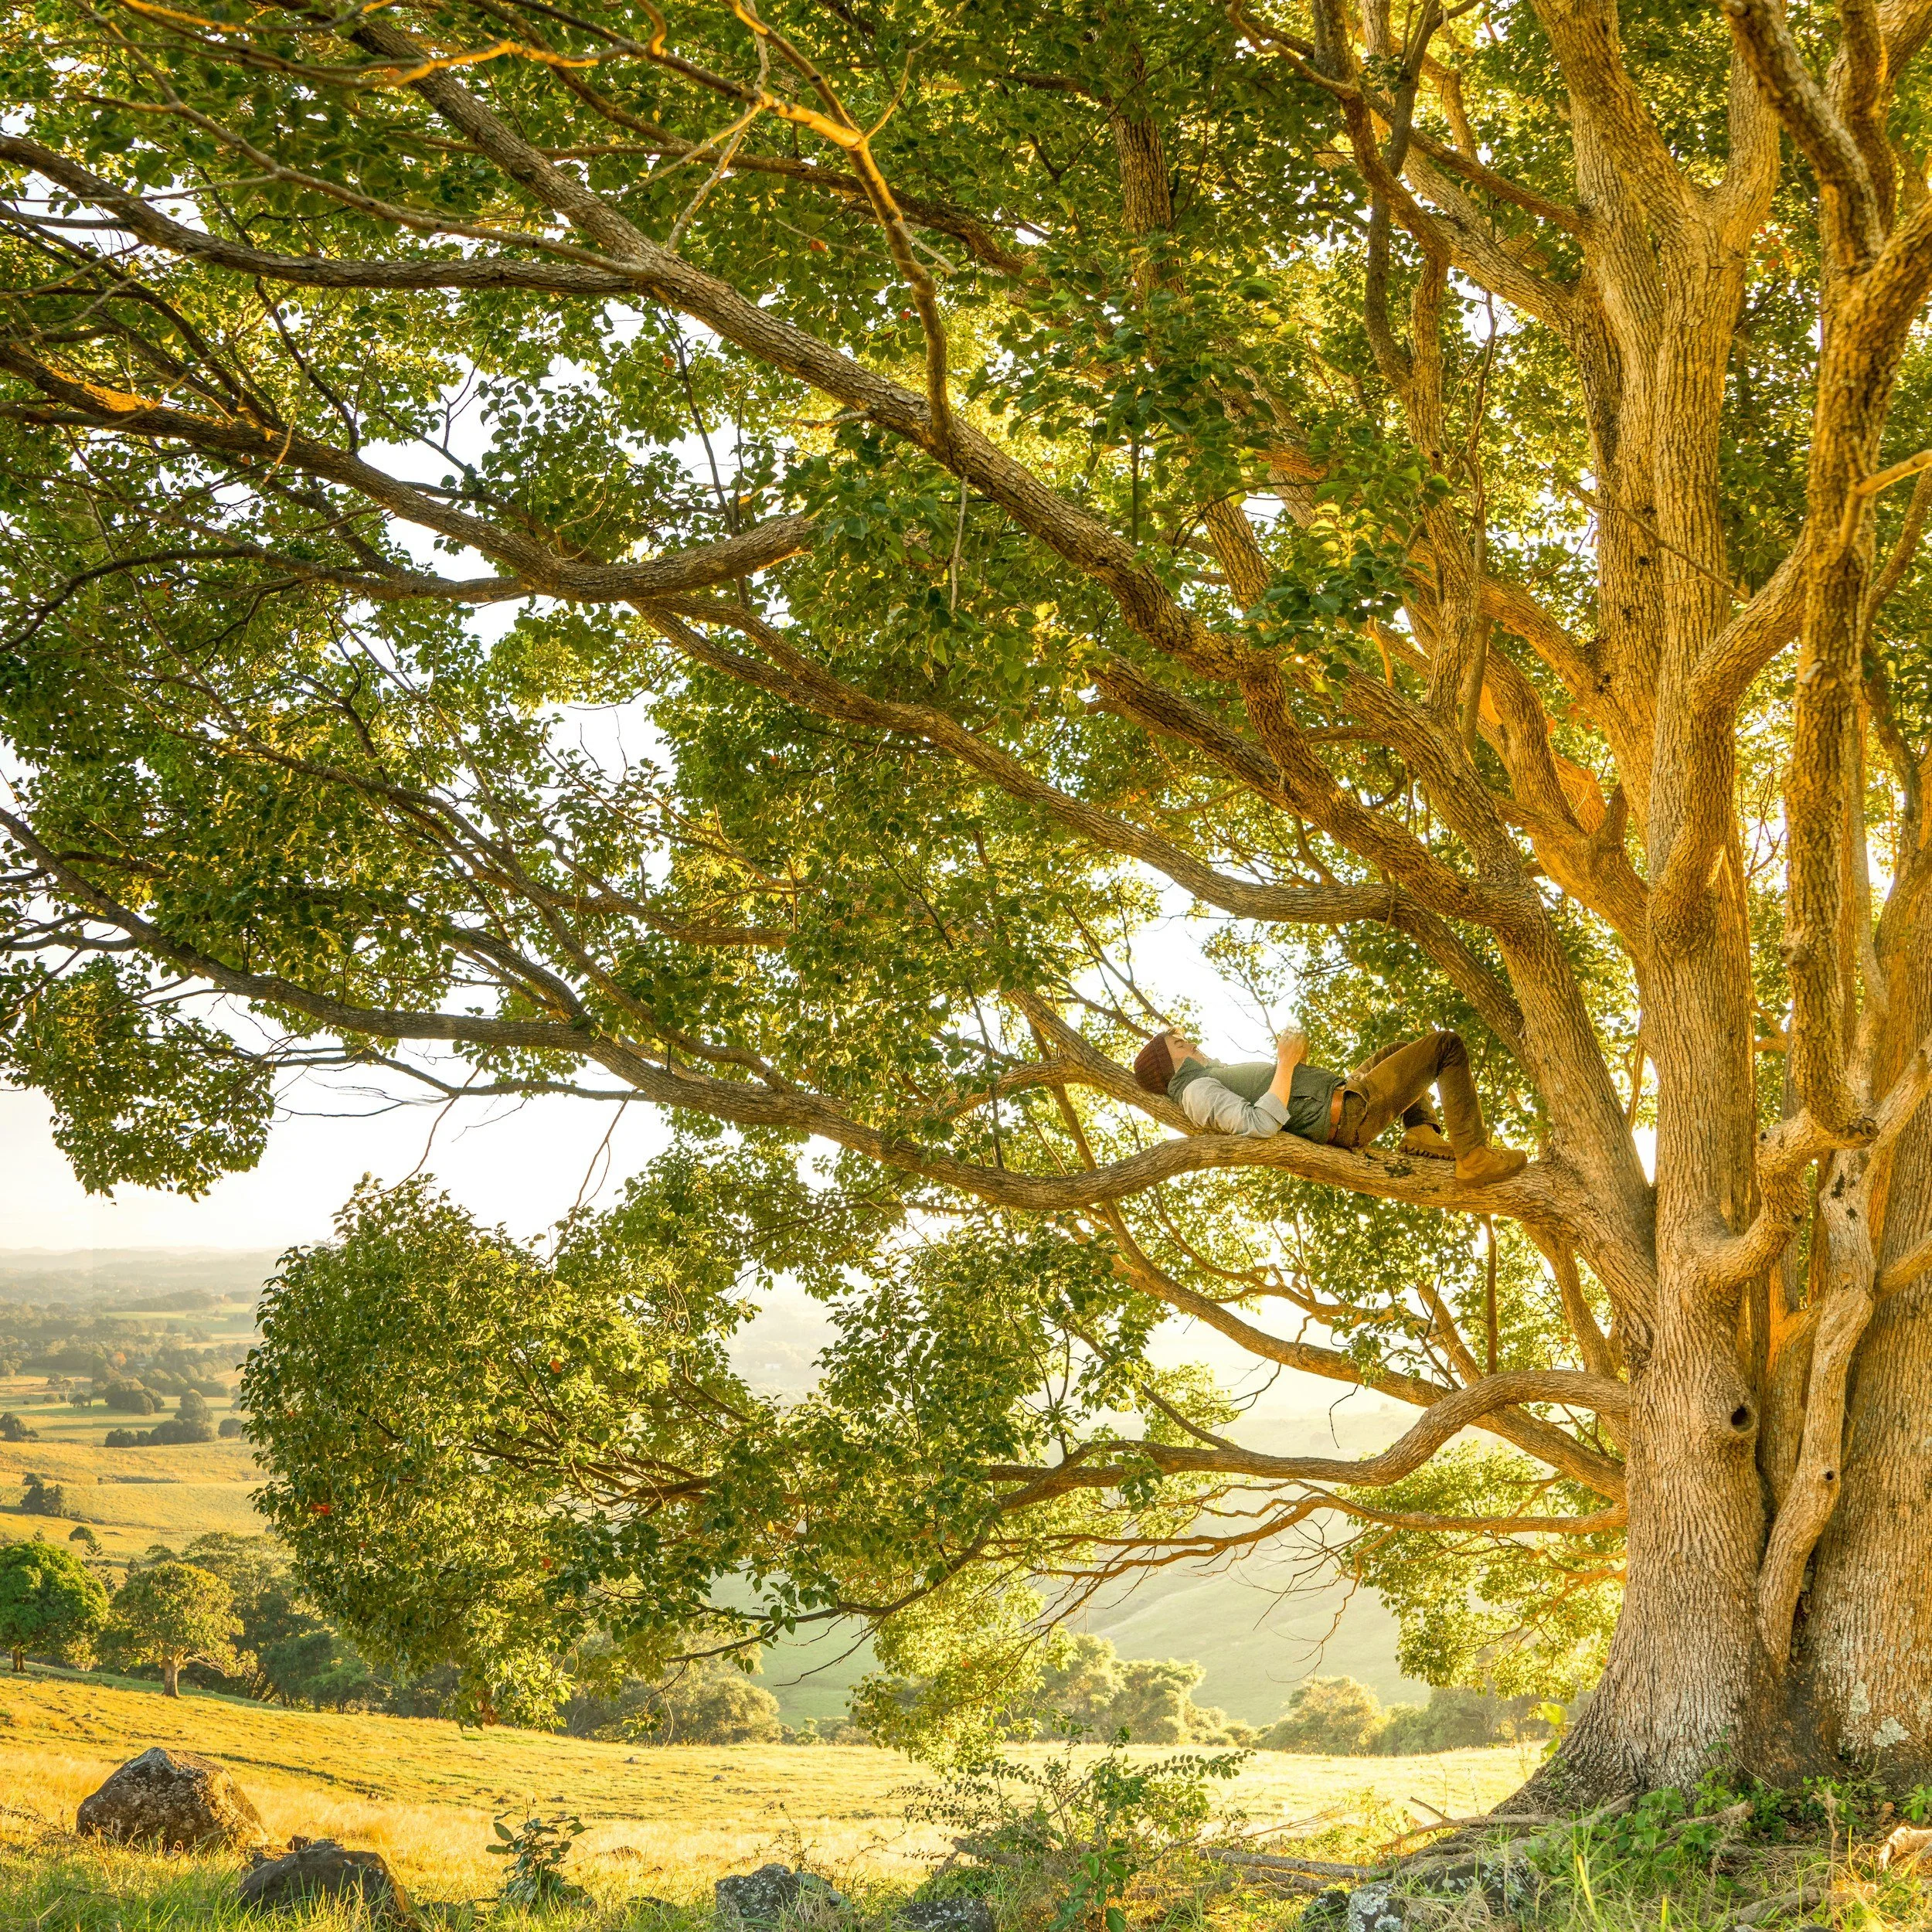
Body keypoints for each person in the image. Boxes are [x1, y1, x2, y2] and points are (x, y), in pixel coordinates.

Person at [1129, 1025, 1528, 1185]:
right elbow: (1259, 1124)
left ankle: (1421, 1132)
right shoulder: (1197, 1092)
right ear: (1170, 1064)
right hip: (1348, 1114)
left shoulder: (1208, 1078)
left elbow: (1279, 1097)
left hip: (1343, 1097)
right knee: (1446, 1046)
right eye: (1180, 1045)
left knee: (1397, 1051)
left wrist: (1293, 1068)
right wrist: (1285, 1063)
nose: (1192, 1043)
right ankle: (1473, 1157)